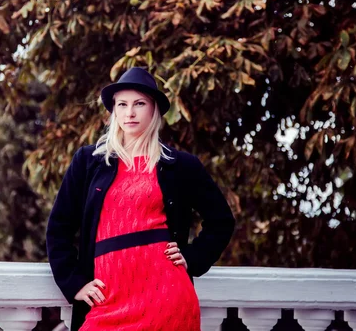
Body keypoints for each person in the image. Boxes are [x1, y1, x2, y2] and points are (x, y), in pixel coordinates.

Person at [46, 67, 235, 331]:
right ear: (114, 110)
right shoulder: (89, 162)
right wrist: (73, 281)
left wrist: (193, 257)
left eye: (139, 104)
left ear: (154, 109)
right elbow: (59, 227)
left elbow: (221, 221)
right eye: (121, 104)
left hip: (166, 296)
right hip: (106, 299)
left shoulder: (180, 165)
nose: (129, 112)